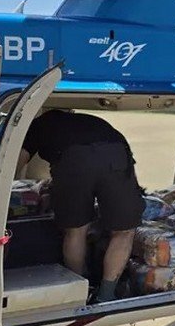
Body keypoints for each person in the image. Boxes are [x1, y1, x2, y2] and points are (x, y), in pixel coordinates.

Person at [17, 110, 144, 303]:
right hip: (116, 153)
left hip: (73, 160)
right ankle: (106, 295)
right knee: (124, 231)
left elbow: (15, 163)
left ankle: (78, 292)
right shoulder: (90, 121)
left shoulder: (37, 125)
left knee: (76, 231)